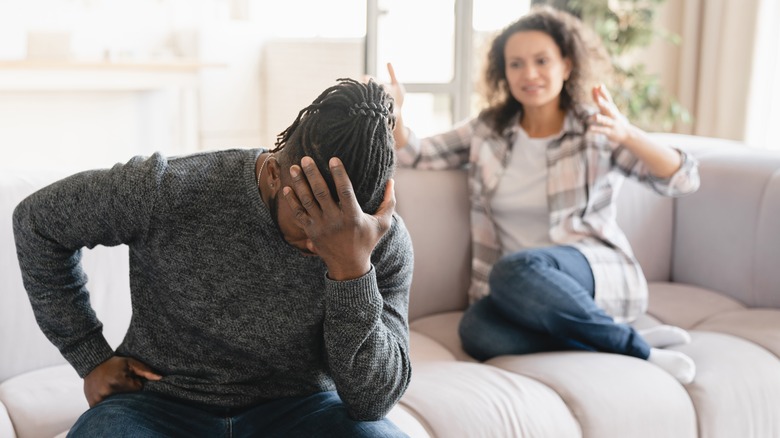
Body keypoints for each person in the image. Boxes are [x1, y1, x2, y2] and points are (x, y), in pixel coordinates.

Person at [13, 78, 413, 437]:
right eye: (309, 218)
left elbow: (370, 403)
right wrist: (90, 355)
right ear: (275, 173)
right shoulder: (166, 189)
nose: (319, 244)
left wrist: (351, 270)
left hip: (302, 410)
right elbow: (37, 221)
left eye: (342, 230)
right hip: (157, 407)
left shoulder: (383, 242)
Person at [386, 5, 700, 384]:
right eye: (516, 64)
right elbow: (417, 152)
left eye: (541, 61)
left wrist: (628, 133)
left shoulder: (594, 126)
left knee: (518, 267)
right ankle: (614, 337)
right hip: (521, 292)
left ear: (566, 65)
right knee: (478, 330)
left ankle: (640, 351)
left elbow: (682, 180)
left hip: (591, 269)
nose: (529, 73)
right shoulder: (488, 130)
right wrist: (396, 112)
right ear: (504, 72)